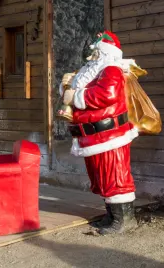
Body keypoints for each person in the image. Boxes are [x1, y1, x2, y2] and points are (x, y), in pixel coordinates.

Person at [60, 31, 139, 234]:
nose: (92, 56)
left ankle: (124, 220)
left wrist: (76, 96)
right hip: (94, 137)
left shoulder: (111, 69)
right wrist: (67, 87)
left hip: (109, 136)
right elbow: (76, 91)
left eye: (96, 52)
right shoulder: (93, 71)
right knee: (102, 178)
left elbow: (107, 94)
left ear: (105, 52)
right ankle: (112, 216)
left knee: (114, 176)